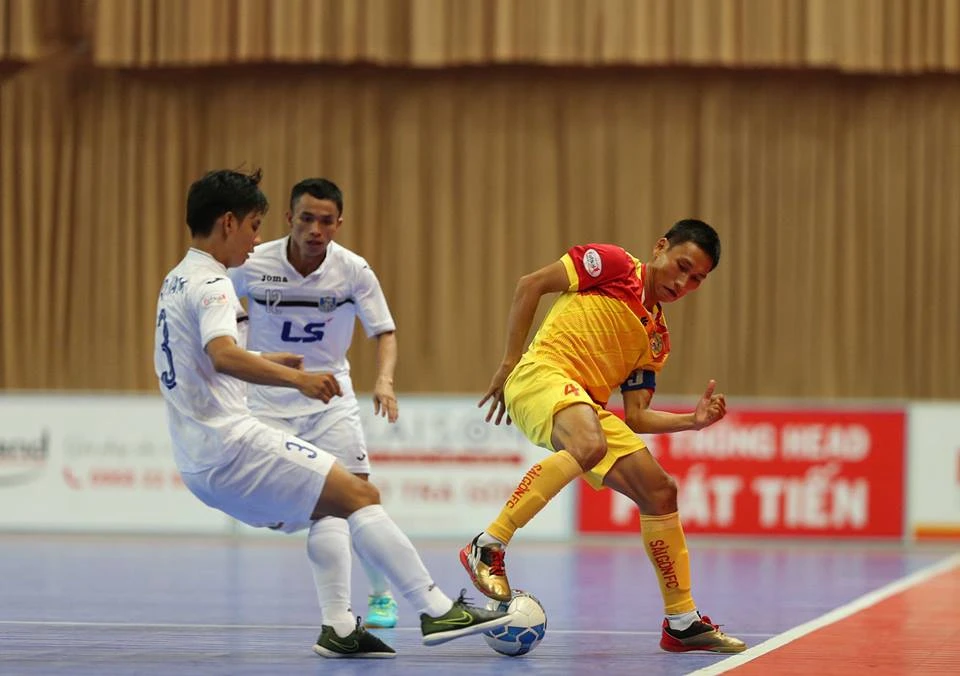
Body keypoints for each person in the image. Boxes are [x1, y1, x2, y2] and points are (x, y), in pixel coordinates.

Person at [154, 168, 509, 659]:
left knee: (334, 503)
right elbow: (223, 356)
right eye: (254, 226)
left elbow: (205, 355)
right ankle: (437, 609)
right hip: (232, 443)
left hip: (198, 456)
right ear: (229, 222)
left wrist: (271, 359)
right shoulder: (216, 282)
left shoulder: (177, 278)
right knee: (361, 495)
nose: (256, 240)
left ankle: (339, 627)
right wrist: (298, 380)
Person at [460, 221, 747, 653]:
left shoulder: (656, 338)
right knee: (589, 443)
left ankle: (682, 622)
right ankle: (488, 545)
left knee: (660, 492)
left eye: (696, 280)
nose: (683, 283)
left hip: (586, 409)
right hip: (542, 375)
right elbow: (530, 285)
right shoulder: (612, 265)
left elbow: (637, 416)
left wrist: (692, 421)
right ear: (660, 248)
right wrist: (508, 363)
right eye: (682, 266)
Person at [228, 177, 401, 630]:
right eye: (306, 219)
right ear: (289, 218)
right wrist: (241, 334)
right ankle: (339, 612)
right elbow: (219, 299)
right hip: (268, 399)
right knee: (293, 508)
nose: (315, 230)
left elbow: (384, 331)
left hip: (330, 398)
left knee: (359, 498)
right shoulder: (255, 262)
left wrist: (384, 381)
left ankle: (381, 597)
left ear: (339, 224)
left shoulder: (354, 270)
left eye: (326, 221)